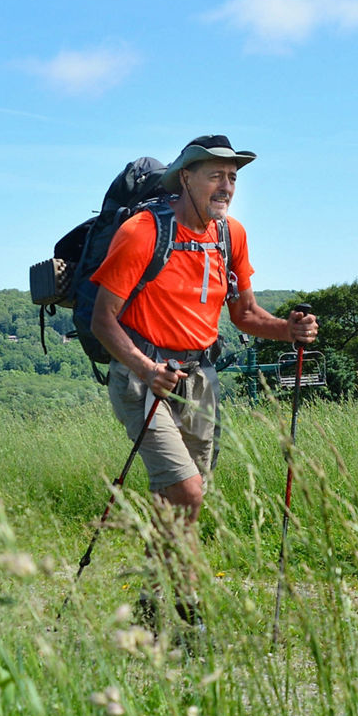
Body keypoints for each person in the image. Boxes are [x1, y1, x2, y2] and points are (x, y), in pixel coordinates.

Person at [90, 135, 317, 619]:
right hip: (142, 379)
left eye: (232, 177)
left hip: (200, 381)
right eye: (216, 174)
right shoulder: (142, 232)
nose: (227, 185)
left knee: (177, 501)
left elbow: (247, 314)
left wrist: (289, 329)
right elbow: (102, 320)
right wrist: (147, 369)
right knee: (188, 492)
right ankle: (192, 614)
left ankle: (152, 604)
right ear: (185, 178)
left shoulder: (230, 235)